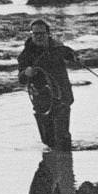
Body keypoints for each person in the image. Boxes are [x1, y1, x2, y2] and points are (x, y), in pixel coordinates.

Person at [16, 19, 75, 150]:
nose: (38, 36)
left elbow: (73, 57)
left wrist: (70, 53)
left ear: (48, 34)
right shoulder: (26, 55)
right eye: (35, 33)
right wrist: (26, 73)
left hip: (62, 97)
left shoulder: (58, 48)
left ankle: (64, 164)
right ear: (31, 34)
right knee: (47, 140)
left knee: (62, 136)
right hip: (41, 101)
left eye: (41, 33)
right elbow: (21, 79)